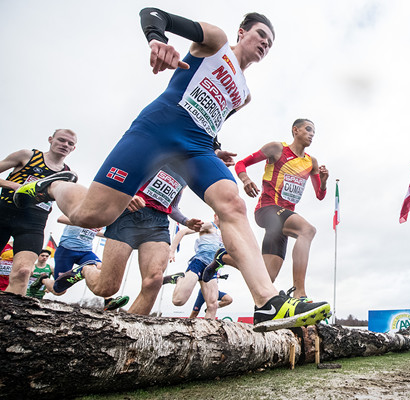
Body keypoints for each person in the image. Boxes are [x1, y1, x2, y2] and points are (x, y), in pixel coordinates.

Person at [14, 8, 329, 331]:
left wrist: (214, 147)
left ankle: (267, 302)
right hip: (157, 130)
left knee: (232, 202)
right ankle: (53, 185)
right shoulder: (216, 42)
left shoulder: (244, 95)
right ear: (241, 32)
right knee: (93, 215)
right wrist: (157, 40)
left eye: (270, 43)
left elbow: (212, 119)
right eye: (261, 34)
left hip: (196, 147)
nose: (265, 43)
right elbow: (153, 14)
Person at [54, 167, 200, 315]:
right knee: (107, 288)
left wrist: (186, 221)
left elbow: (172, 206)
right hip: (129, 214)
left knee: (154, 280)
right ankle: (86, 269)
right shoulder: (155, 157)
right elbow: (115, 176)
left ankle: (127, 327)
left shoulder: (186, 176)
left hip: (158, 222)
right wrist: (127, 195)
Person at [232, 118, 328, 300]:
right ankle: (299, 293)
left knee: (267, 279)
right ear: (295, 130)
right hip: (267, 209)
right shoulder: (277, 149)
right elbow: (241, 164)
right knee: (307, 230)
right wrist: (246, 180)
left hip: (283, 220)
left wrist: (323, 182)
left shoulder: (311, 162)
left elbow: (320, 195)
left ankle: (224, 257)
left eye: (314, 132)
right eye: (308, 129)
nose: (311, 134)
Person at [0, 129, 78, 295]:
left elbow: (68, 203)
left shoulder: (67, 175)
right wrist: (14, 185)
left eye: (70, 143)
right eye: (61, 140)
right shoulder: (27, 156)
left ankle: (11, 311)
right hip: (4, 213)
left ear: (73, 148)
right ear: (50, 139)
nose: (65, 145)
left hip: (33, 224)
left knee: (23, 272)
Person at [34, 216, 129, 311]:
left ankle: (108, 300)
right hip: (66, 251)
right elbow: (60, 219)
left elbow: (96, 233)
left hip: (86, 252)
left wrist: (113, 235)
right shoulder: (83, 211)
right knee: (59, 290)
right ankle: (43, 279)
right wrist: (89, 223)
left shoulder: (102, 217)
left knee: (101, 267)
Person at [164, 216, 229, 319]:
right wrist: (172, 251)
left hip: (211, 269)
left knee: (213, 305)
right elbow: (183, 232)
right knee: (178, 301)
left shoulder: (225, 235)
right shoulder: (209, 226)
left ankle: (209, 328)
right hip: (199, 263)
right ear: (216, 216)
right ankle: (179, 279)